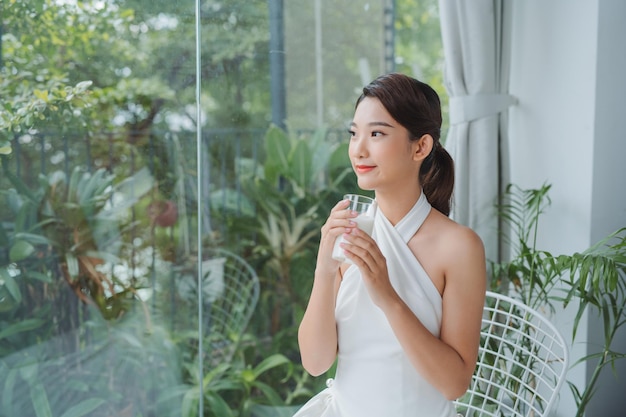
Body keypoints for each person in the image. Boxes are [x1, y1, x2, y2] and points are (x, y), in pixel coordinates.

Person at [294, 73, 486, 417]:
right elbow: (315, 362)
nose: (359, 149)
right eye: (354, 134)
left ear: (421, 147)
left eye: (377, 133)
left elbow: (454, 384)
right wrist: (324, 270)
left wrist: (388, 298)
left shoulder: (459, 247)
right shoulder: (352, 230)